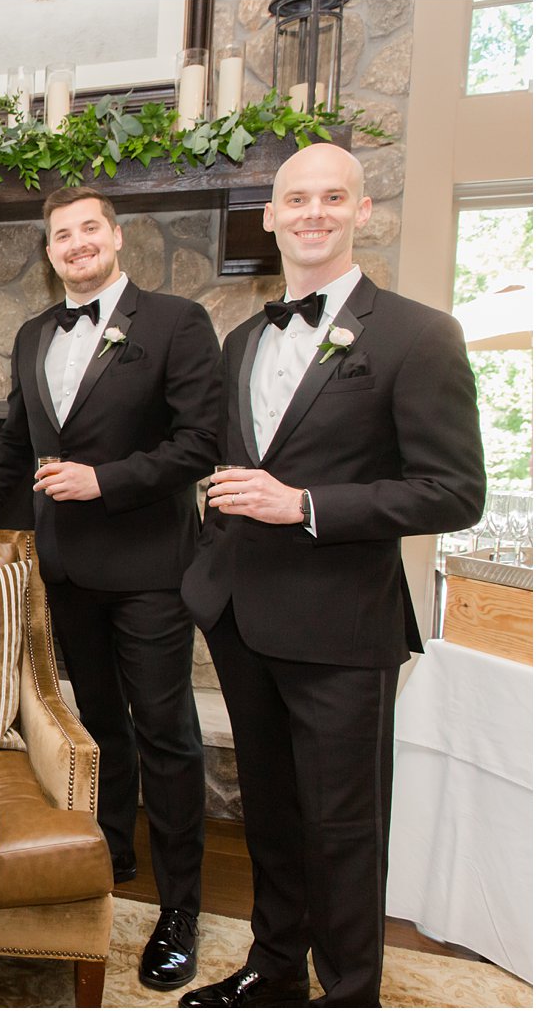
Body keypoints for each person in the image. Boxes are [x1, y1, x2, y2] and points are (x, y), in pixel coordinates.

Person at [179, 143, 484, 1008]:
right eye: (295, 199)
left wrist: (305, 506)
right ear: (269, 217)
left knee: (344, 830)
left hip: (344, 628)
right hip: (242, 618)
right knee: (268, 817)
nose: (312, 212)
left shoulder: (420, 334)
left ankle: (351, 993)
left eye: (332, 197)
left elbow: (455, 491)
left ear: (363, 212)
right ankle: (275, 971)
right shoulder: (242, 338)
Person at [0, 186, 219, 990]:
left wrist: (107, 481)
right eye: (61, 234)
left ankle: (183, 908)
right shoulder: (33, 334)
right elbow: (15, 439)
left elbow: (201, 443)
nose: (76, 243)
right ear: (49, 249)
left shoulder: (175, 323)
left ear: (116, 238)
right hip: (65, 568)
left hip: (152, 568)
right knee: (98, 720)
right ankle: (115, 847)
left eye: (89, 228)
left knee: (166, 731)